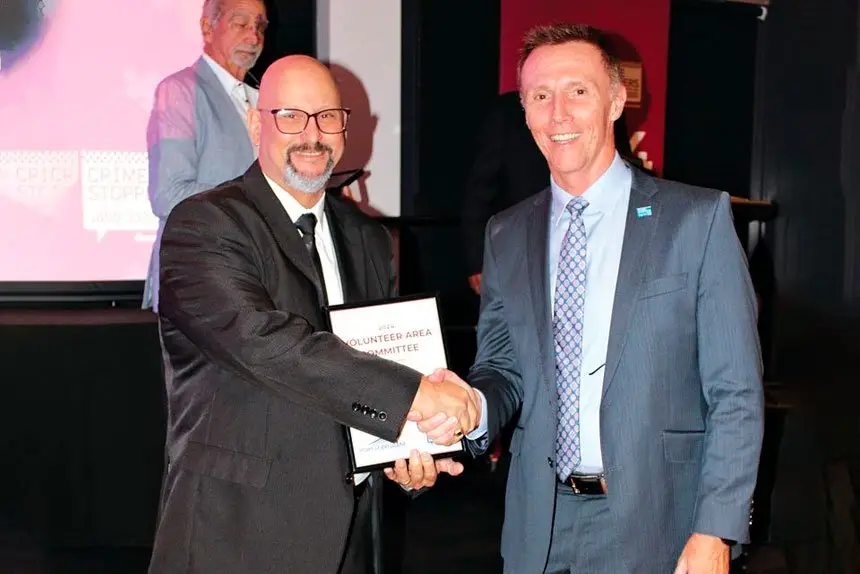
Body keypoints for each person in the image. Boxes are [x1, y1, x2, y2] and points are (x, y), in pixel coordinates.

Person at [424, 23, 764, 573]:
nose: (557, 114)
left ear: (614, 99)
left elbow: (736, 393)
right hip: (541, 525)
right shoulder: (506, 234)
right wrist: (471, 407)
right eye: (539, 96)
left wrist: (715, 529)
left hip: (664, 527)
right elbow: (502, 368)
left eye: (576, 91)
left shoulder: (695, 221)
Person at [147, 55, 479, 574]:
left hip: (350, 541)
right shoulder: (206, 224)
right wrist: (414, 397)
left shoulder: (370, 239)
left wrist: (405, 455)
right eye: (292, 116)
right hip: (237, 538)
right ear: (258, 123)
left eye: (327, 117)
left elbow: (374, 365)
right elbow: (267, 343)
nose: (312, 133)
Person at [142, 0, 267, 311]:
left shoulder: (265, 99)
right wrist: (258, 199)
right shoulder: (179, 91)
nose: (253, 37)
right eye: (241, 23)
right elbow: (168, 195)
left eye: (260, 26)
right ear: (208, 27)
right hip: (198, 280)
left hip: (254, 277)